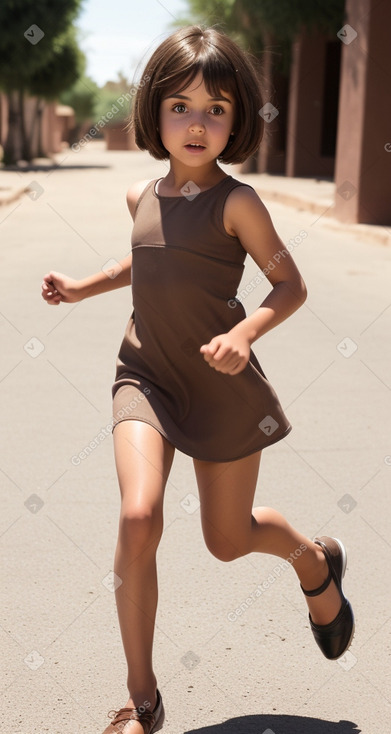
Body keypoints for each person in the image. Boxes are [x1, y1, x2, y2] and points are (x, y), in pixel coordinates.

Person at [41, 25, 354, 734]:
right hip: (145, 374)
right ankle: (143, 702)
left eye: (216, 108)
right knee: (137, 516)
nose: (197, 122)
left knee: (227, 537)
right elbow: (143, 264)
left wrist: (244, 334)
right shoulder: (139, 194)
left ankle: (315, 563)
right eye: (180, 105)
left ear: (237, 119)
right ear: (154, 110)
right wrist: (81, 286)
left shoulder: (238, 203)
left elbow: (289, 285)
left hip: (219, 385)